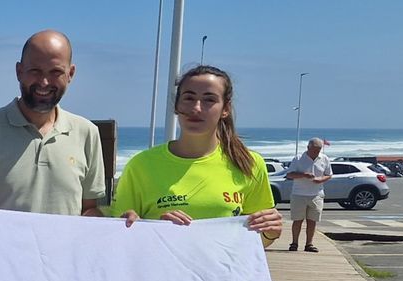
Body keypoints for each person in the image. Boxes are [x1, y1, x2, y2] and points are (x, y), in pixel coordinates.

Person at [108, 65, 282, 246]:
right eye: (189, 98)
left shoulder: (249, 164)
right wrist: (151, 227)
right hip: (160, 272)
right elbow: (121, 236)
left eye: (209, 100)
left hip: (221, 274)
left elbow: (255, 243)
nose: (196, 108)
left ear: (225, 109)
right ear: (176, 106)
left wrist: (270, 233)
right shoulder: (141, 165)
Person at [0, 29, 105, 222]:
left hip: (61, 252)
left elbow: (89, 210)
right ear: (19, 72)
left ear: (70, 74)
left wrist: (128, 227)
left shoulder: (87, 133)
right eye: (35, 71)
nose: (44, 82)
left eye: (55, 72)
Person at [285, 138, 331, 252]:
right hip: (299, 194)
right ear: (308, 148)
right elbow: (289, 174)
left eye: (318, 150)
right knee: (297, 220)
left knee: (312, 221)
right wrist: (304, 175)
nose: (316, 153)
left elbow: (329, 174)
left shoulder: (324, 158)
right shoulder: (298, 158)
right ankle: (294, 243)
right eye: (314, 150)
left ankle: (309, 244)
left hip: (316, 194)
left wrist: (321, 179)